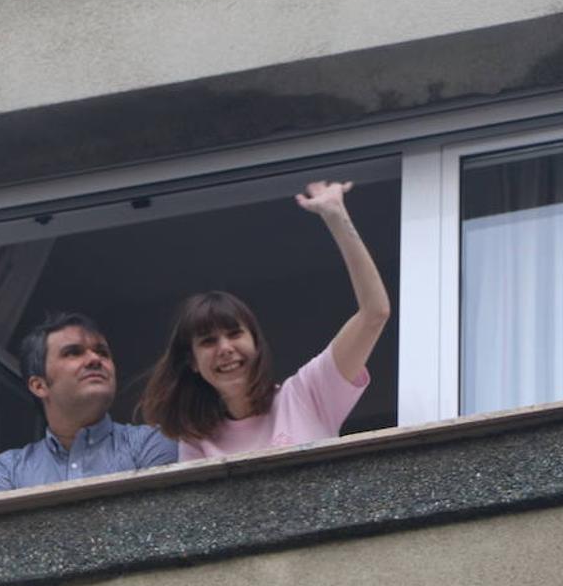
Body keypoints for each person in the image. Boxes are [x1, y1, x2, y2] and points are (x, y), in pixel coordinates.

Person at [139, 180, 391, 460]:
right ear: (193, 362)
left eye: (234, 333)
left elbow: (374, 313)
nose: (225, 348)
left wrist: (336, 217)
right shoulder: (197, 441)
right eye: (208, 341)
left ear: (256, 343)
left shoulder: (306, 394)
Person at [0, 312, 177, 491]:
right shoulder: (9, 470)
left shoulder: (151, 443)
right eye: (73, 352)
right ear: (39, 386)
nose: (95, 359)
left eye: (102, 352)